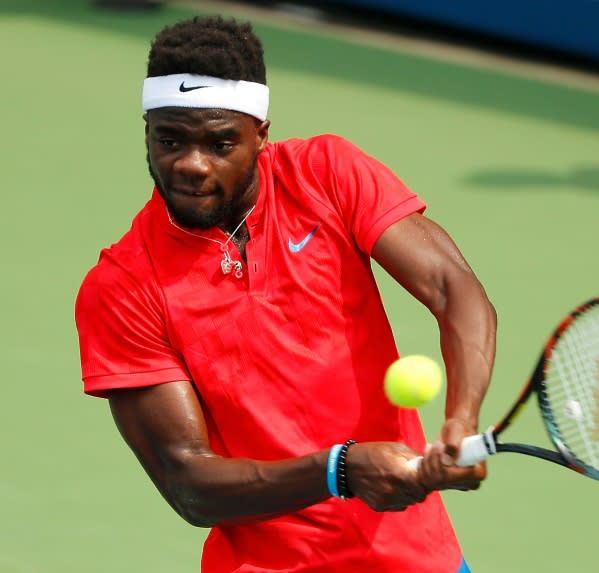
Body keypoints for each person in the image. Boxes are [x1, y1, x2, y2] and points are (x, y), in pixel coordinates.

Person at [75, 15, 496, 573]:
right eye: (168, 139)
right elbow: (189, 482)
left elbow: (453, 288)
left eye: (220, 143)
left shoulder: (327, 173)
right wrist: (338, 470)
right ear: (146, 128)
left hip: (417, 558)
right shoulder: (123, 287)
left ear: (261, 134)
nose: (190, 165)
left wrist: (461, 420)